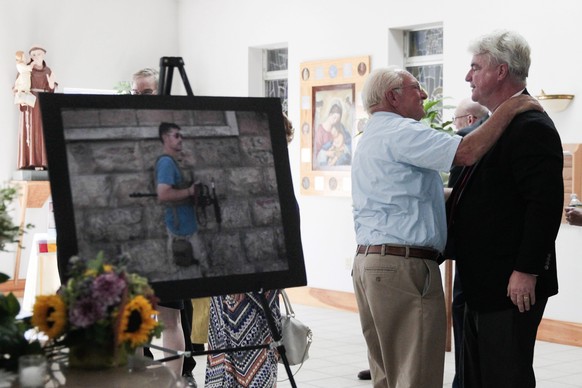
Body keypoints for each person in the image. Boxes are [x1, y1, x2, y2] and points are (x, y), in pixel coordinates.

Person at [351, 66, 542, 388]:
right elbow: (466, 151)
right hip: (403, 268)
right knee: (417, 376)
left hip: (372, 265)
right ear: (392, 97)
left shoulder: (374, 135)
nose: (424, 95)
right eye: (416, 88)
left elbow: (413, 194)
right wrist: (513, 105)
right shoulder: (402, 131)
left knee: (390, 376)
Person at [446, 30, 563, 388]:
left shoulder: (532, 125)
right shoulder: (487, 126)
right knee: (473, 378)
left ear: (500, 71)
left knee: (504, 376)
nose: (467, 76)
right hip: (478, 279)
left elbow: (543, 205)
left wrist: (527, 270)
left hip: (511, 284)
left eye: (474, 67)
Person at [204, 113, 294, 388]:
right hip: (249, 281)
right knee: (247, 352)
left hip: (240, 280)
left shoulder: (231, 174)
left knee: (238, 353)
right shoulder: (253, 178)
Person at [132, 69, 202, 387]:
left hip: (173, 237)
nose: (139, 98)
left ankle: (174, 378)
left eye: (145, 92)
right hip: (147, 238)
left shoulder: (172, 144)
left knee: (171, 315)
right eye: (135, 93)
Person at [447, 98, 489, 388]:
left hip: (473, 256)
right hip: (492, 259)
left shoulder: (464, 143)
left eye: (456, 120)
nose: (454, 127)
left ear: (470, 121)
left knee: (465, 326)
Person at [14, 46, 57, 170]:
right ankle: (28, 162)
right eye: (33, 54)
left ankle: (42, 162)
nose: (36, 57)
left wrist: (51, 85)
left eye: (38, 54)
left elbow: (52, 90)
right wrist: (20, 94)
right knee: (29, 130)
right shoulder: (25, 71)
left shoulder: (48, 71)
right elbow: (17, 86)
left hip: (43, 103)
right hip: (29, 103)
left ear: (43, 55)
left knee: (42, 131)